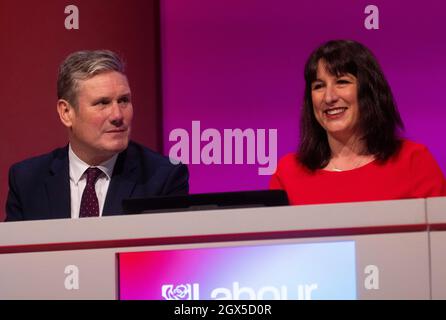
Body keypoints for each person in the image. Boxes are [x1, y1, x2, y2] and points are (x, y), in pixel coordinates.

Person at [5, 50, 189, 221]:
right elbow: (14, 255)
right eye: (103, 103)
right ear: (66, 112)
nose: (117, 115)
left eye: (124, 100)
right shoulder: (27, 180)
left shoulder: (163, 178)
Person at [270, 40, 446, 205]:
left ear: (369, 92)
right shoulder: (288, 173)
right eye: (319, 86)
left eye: (342, 82)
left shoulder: (413, 162)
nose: (329, 97)